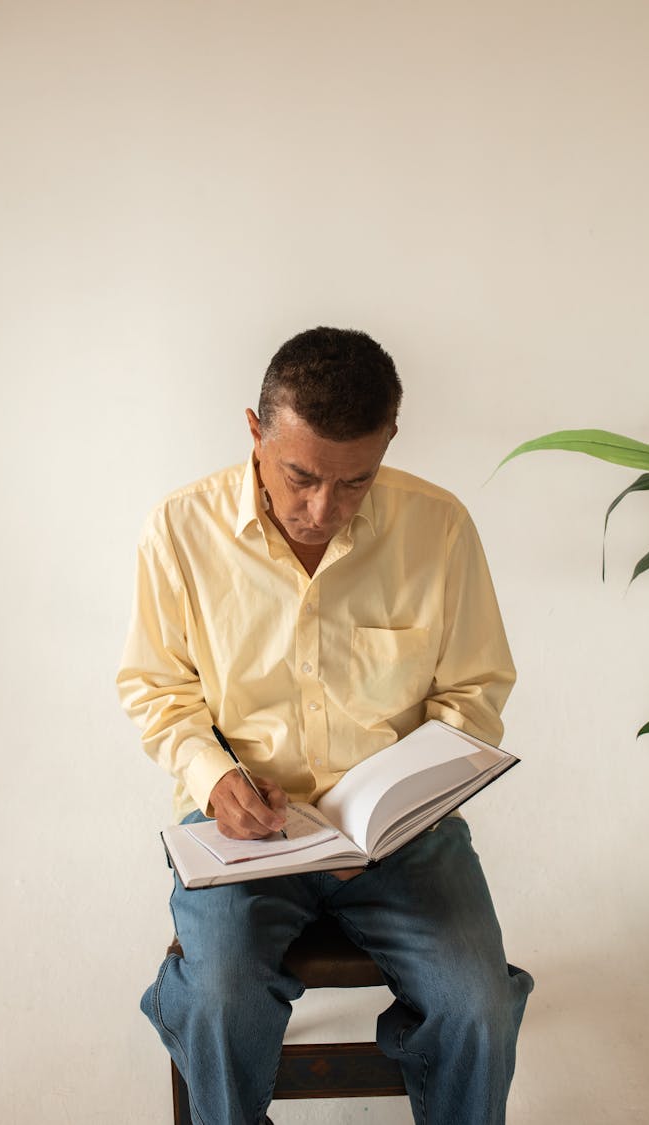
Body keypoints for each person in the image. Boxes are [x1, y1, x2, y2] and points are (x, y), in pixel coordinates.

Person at [117, 326, 533, 1125]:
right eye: (301, 476)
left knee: (477, 1007)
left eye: (355, 484)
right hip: (244, 832)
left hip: (406, 835)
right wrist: (215, 777)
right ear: (255, 431)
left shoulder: (438, 528)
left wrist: (407, 800)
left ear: (389, 446)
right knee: (217, 1003)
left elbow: (474, 692)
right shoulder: (179, 529)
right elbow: (157, 686)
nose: (323, 510)